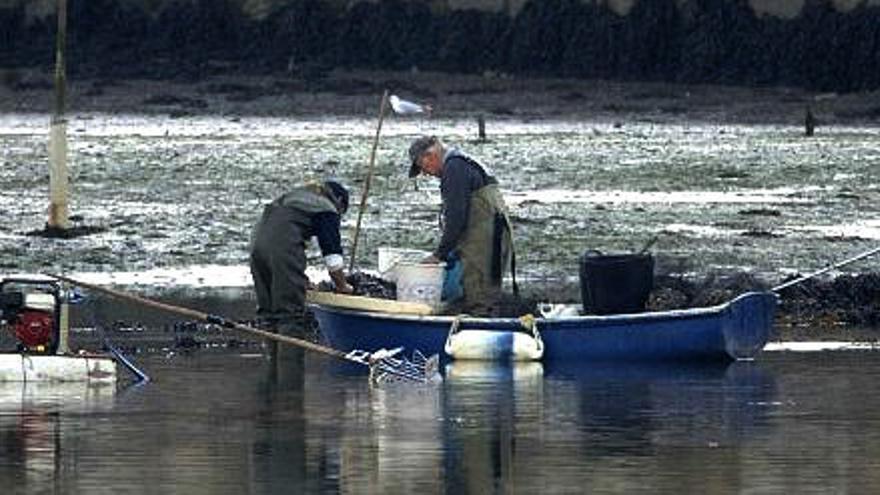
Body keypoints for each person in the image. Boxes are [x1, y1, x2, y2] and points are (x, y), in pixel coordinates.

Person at [407, 136, 516, 312]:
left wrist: (439, 254)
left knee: (480, 297)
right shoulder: (462, 163)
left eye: (423, 167)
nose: (426, 173)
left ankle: (482, 331)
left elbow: (456, 217)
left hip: (485, 241)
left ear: (431, 155)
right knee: (487, 292)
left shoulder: (454, 169)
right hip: (494, 235)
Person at [249, 180, 353, 338]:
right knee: (290, 316)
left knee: (269, 316)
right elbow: (332, 255)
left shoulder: (296, 198)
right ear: (339, 201)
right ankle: (290, 362)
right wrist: (342, 285)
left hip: (257, 246)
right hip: (281, 245)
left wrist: (300, 282)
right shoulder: (326, 207)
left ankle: (273, 361)